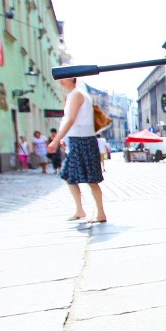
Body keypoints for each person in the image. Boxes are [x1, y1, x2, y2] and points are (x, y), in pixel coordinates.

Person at [48, 77, 107, 223]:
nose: (61, 80)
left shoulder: (76, 94)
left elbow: (70, 120)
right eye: (60, 76)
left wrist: (55, 140)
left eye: (65, 76)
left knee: (91, 179)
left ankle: (100, 213)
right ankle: (80, 210)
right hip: (78, 140)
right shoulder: (74, 94)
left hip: (83, 140)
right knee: (69, 175)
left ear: (73, 78)